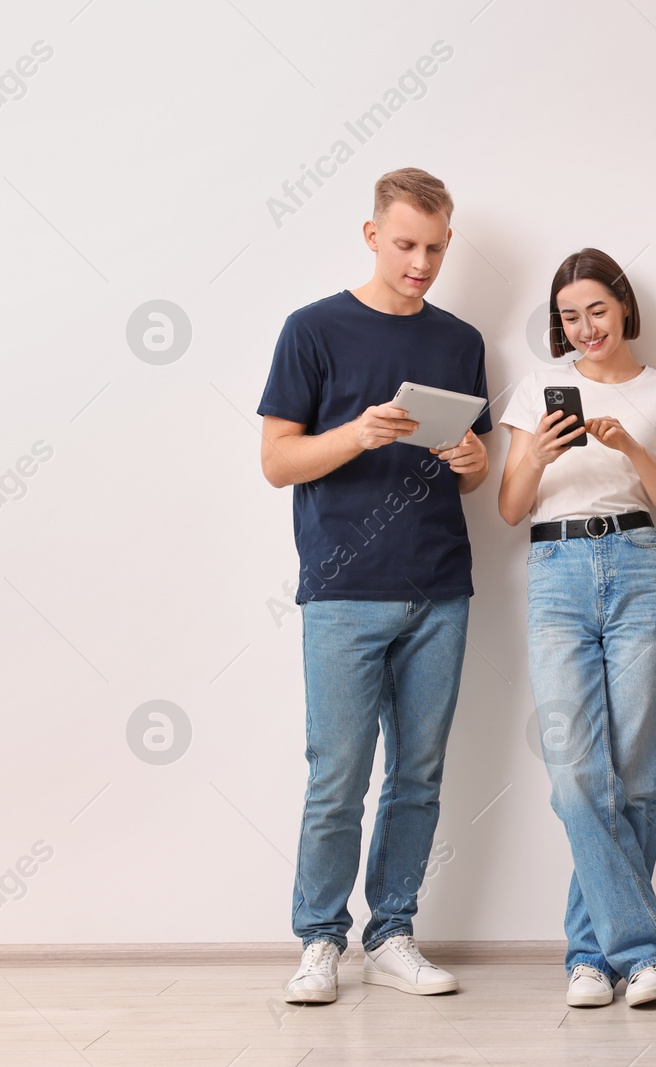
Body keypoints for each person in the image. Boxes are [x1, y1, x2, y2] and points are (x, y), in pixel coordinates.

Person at [257, 168, 492, 1004]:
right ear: (371, 236)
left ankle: (392, 932)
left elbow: (473, 470)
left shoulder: (460, 340)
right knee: (338, 776)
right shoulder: (312, 329)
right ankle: (319, 940)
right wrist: (355, 434)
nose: (420, 261)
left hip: (441, 587)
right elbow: (277, 461)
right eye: (404, 245)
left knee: (418, 775)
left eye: (433, 247)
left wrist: (472, 461)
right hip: (343, 588)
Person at [497, 248, 656, 1008]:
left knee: (638, 775)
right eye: (569, 316)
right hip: (554, 572)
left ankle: (591, 956)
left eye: (596, 310)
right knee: (577, 774)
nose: (584, 327)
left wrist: (627, 449)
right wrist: (541, 453)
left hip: (640, 564)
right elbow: (511, 506)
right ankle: (643, 948)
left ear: (623, 307)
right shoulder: (535, 392)